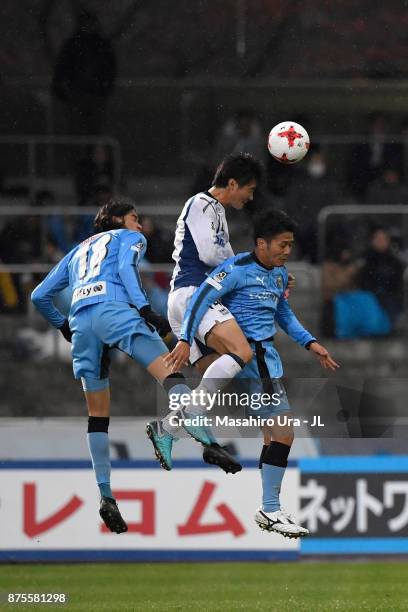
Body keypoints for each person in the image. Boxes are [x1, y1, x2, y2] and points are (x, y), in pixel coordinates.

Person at [31, 199, 239, 534]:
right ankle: (211, 444)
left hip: (82, 323)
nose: (140, 226)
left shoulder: (76, 251)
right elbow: (127, 270)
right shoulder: (128, 239)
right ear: (116, 220)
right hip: (116, 312)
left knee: (98, 416)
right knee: (172, 377)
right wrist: (144, 309)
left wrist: (63, 325)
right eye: (134, 218)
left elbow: (39, 295)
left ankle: (105, 494)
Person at [164, 210, 339, 538]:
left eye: (290, 245)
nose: (287, 251)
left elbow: (283, 313)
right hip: (250, 361)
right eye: (282, 245)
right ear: (262, 243)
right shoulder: (235, 270)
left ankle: (170, 428)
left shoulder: (278, 274)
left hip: (266, 361)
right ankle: (269, 508)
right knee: (284, 432)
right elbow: (199, 301)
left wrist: (310, 343)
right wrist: (186, 338)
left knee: (273, 436)